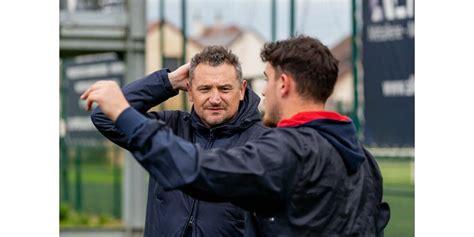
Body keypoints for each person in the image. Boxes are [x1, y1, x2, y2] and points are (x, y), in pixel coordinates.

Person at [82, 35, 390, 236]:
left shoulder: (278, 149)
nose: (264, 91)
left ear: (282, 84)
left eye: (266, 80)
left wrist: (124, 112)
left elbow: (194, 170)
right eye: (204, 88)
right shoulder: (363, 159)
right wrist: (168, 80)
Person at [88, 46, 268, 237]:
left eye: (224, 89)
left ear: (241, 90)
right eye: (205, 89)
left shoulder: (262, 144)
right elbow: (104, 115)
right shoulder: (168, 128)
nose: (215, 99)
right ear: (190, 91)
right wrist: (168, 82)